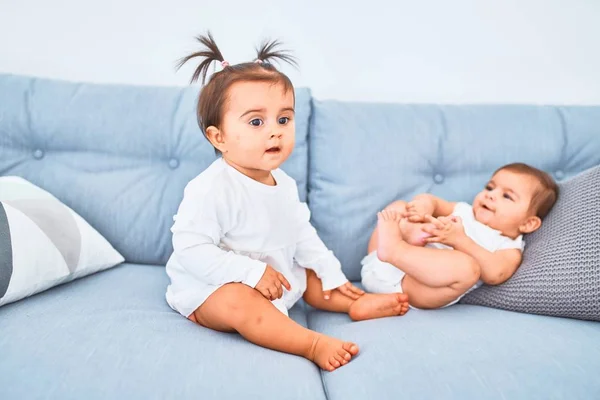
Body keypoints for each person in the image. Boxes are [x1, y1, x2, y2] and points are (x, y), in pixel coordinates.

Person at [165, 32, 409, 372]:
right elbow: (191, 250)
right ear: (218, 137)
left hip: (272, 277)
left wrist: (331, 273)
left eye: (284, 119)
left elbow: (301, 234)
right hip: (211, 288)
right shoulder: (210, 189)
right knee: (241, 302)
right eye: (256, 122)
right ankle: (309, 342)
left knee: (308, 272)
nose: (275, 131)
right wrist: (249, 273)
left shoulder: (285, 184)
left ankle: (353, 303)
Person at [361, 163, 558, 309]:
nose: (490, 195)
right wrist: (422, 207)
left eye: (507, 196)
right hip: (377, 258)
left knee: (467, 268)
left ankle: (397, 250)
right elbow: (432, 201)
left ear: (528, 223)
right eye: (490, 187)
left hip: (410, 287)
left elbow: (495, 274)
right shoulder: (463, 210)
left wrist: (460, 240)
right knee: (400, 208)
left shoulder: (508, 247)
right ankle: (403, 242)